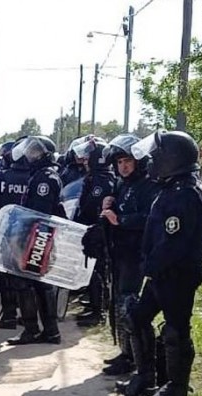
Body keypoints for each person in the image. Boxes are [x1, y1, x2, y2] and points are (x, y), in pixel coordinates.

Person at [122, 131, 202, 396]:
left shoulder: (185, 194)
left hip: (177, 275)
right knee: (137, 316)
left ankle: (176, 391)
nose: (151, 161)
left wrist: (148, 265)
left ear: (172, 159)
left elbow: (174, 243)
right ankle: (146, 377)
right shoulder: (172, 188)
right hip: (161, 274)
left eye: (157, 155)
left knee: (176, 330)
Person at [98, 134, 159, 376]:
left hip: (136, 256)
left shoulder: (148, 185)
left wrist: (119, 219)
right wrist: (108, 205)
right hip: (119, 254)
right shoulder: (123, 185)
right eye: (120, 163)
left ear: (138, 162)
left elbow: (149, 219)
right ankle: (125, 353)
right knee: (117, 304)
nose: (123, 167)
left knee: (129, 305)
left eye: (128, 162)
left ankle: (137, 359)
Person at [6, 136, 64, 345]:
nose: (30, 155)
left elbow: (40, 213)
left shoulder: (45, 178)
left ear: (45, 155)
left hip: (38, 236)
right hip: (39, 235)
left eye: (35, 152)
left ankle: (33, 330)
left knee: (26, 283)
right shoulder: (41, 175)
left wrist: (24, 236)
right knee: (39, 284)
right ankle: (49, 331)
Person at [0, 139, 32, 330]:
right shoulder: (36, 177)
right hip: (31, 237)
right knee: (28, 276)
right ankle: (28, 318)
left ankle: (9, 315)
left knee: (5, 275)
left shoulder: (2, 177)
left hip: (6, 234)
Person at [73, 135, 118, 328]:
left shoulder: (102, 180)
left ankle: (98, 312)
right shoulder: (94, 178)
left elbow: (92, 206)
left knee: (98, 272)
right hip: (92, 233)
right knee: (92, 272)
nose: (84, 160)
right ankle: (94, 307)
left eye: (88, 156)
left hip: (98, 234)